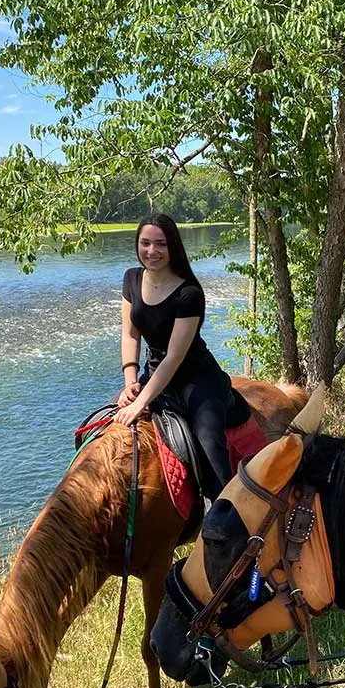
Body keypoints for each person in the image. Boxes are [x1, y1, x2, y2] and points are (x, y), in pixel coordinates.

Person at [113, 213, 233, 501]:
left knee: (209, 444)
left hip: (196, 379)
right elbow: (130, 335)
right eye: (145, 243)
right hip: (153, 374)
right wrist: (130, 384)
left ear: (173, 247)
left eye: (160, 244)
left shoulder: (189, 293)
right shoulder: (131, 279)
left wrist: (141, 402)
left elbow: (174, 357)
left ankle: (227, 510)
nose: (151, 251)